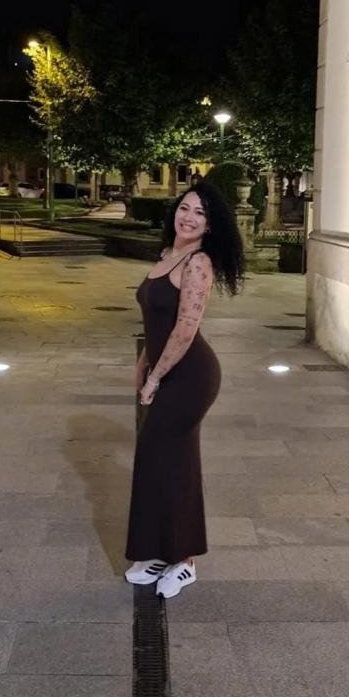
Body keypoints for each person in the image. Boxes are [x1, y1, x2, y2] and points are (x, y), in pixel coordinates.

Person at [124, 182, 245, 598]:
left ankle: (186, 562)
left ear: (210, 226)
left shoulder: (198, 262)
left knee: (175, 461)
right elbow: (156, 322)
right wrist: (143, 363)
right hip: (166, 367)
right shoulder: (167, 255)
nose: (189, 217)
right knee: (156, 459)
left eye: (200, 213)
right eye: (185, 208)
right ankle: (161, 551)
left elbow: (186, 328)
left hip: (190, 375)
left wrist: (156, 377)